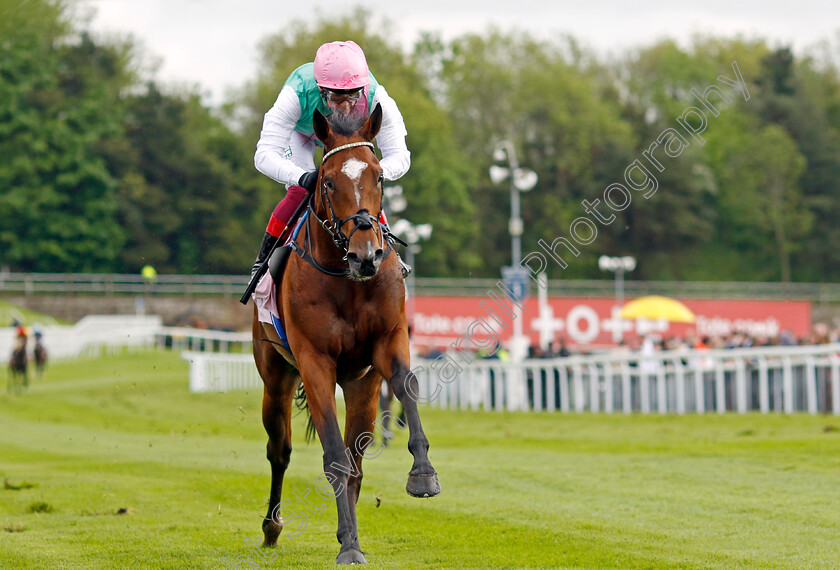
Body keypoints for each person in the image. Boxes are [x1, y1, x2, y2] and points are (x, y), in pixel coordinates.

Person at [248, 40, 412, 286]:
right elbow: (264, 155)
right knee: (300, 190)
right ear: (320, 89)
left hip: (347, 139)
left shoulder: (377, 96)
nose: (345, 106)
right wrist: (302, 177)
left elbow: (401, 156)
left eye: (353, 96)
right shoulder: (296, 93)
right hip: (301, 133)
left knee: (362, 185)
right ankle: (263, 260)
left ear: (363, 88)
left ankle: (389, 248)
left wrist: (372, 174)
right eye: (336, 97)